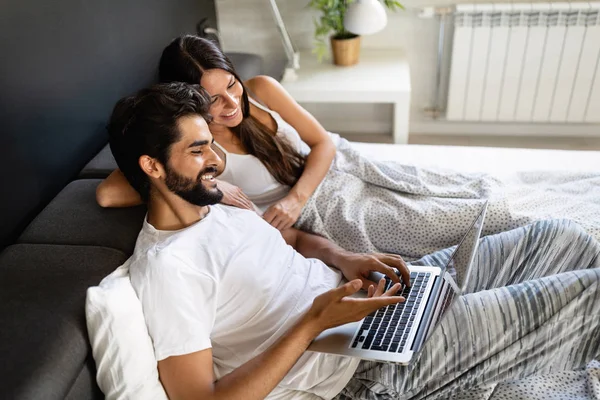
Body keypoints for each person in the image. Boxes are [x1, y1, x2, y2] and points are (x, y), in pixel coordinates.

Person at [109, 82, 600, 400]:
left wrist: (345, 258)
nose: (216, 159)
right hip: (356, 372)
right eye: (197, 150)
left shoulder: (216, 204)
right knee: (588, 296)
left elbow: (294, 238)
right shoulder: (168, 270)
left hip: (365, 301)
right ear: (152, 167)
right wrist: (314, 322)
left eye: (211, 143)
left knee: (561, 236)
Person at [98, 35, 336, 231]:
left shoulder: (262, 88)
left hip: (328, 175)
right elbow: (107, 194)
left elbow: (323, 142)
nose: (233, 103)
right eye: (214, 99)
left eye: (232, 84)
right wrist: (214, 186)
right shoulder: (195, 145)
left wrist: (296, 199)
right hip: (312, 216)